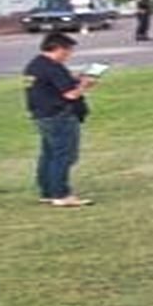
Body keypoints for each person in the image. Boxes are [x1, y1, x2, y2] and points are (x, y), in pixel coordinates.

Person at [23, 32, 96, 207]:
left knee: (48, 154)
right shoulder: (53, 67)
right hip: (59, 115)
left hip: (42, 115)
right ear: (57, 48)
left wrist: (75, 79)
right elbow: (70, 94)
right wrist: (85, 86)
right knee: (64, 155)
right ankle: (61, 194)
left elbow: (51, 86)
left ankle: (47, 191)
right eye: (68, 51)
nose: (69, 55)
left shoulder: (34, 65)